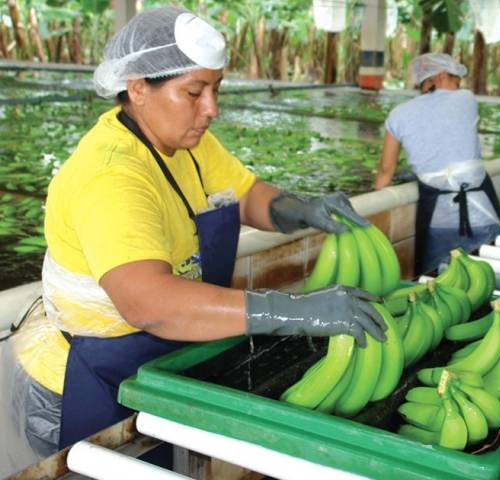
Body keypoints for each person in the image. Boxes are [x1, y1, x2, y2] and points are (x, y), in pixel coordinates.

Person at [4, 6, 386, 466]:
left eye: (216, 89)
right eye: (194, 92)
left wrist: (300, 208)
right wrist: (293, 311)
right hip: (84, 380)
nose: (212, 109)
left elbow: (243, 196)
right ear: (138, 87)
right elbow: (150, 304)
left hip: (153, 365)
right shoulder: (111, 176)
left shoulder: (188, 141)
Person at [374, 53, 500, 275]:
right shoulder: (466, 99)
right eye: (457, 80)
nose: (459, 85)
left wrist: (374, 204)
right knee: (488, 280)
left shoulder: (397, 115)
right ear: (443, 75)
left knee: (436, 287)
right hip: (481, 212)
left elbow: (386, 171)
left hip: (437, 219)